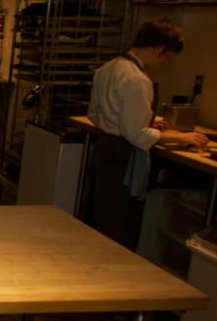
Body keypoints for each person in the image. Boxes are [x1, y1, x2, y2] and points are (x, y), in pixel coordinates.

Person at [87, 17, 208, 249]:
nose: (164, 61)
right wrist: (181, 137)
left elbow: (95, 114)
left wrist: (149, 121)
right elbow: (136, 134)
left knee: (103, 214)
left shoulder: (108, 68)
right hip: (122, 155)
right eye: (167, 56)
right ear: (159, 48)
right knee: (120, 222)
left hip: (105, 148)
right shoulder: (138, 80)